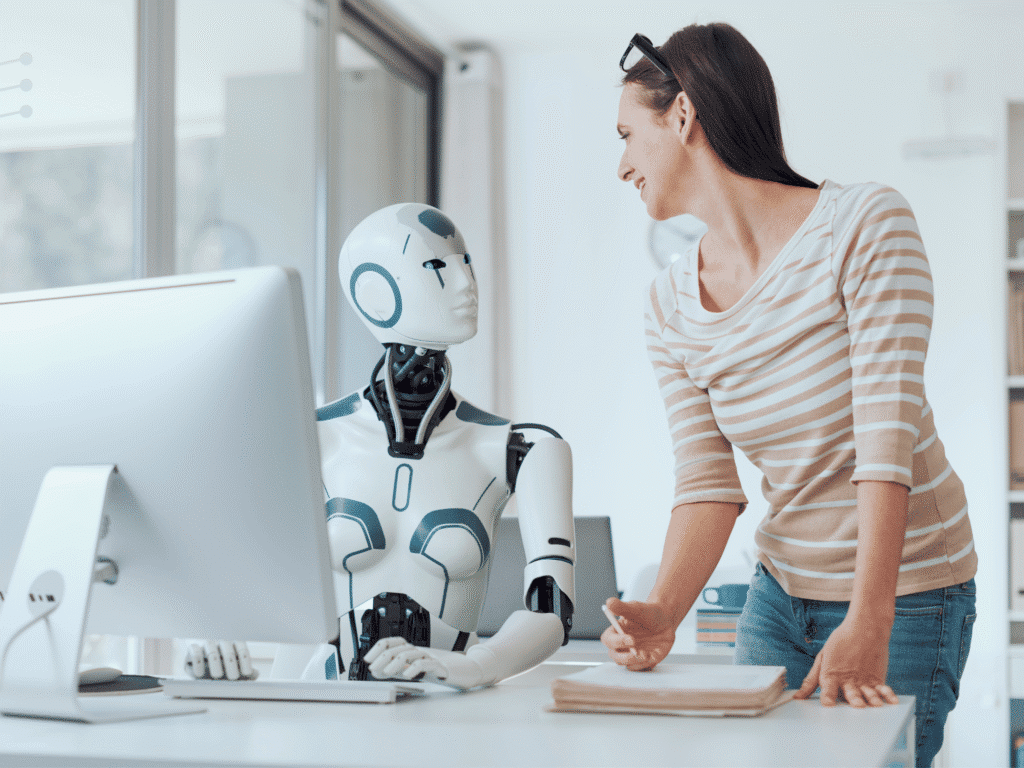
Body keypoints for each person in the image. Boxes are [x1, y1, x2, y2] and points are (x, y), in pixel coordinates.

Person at [602, 23, 976, 767]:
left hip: (907, 594)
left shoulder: (864, 225)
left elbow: (883, 436)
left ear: (683, 117)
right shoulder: (669, 304)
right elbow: (708, 485)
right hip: (777, 596)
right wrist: (663, 615)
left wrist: (870, 618)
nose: (621, 166)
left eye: (626, 135)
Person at [188, 203, 576, 690]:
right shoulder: (308, 437)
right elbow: (217, 561)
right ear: (375, 290)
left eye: (466, 263)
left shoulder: (523, 449)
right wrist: (203, 634)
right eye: (436, 267)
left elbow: (553, 609)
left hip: (452, 713)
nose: (465, 283)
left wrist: (478, 665)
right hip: (320, 705)